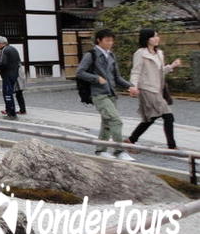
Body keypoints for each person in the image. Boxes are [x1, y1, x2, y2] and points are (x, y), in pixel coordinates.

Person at [76, 28, 138, 160]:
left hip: (111, 93)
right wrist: (96, 78)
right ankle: (119, 151)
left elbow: (117, 77)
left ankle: (101, 150)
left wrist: (130, 86)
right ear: (99, 40)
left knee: (107, 123)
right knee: (115, 120)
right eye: (107, 40)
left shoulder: (111, 55)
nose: (110, 43)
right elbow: (80, 72)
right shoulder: (91, 55)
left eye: (112, 40)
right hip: (98, 94)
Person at [125, 29, 182, 150]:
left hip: (157, 89)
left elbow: (160, 72)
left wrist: (172, 66)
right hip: (147, 89)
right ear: (147, 39)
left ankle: (131, 139)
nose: (157, 38)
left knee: (151, 118)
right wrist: (133, 86)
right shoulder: (140, 53)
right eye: (153, 37)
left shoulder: (159, 53)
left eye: (157, 36)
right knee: (168, 116)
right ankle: (172, 146)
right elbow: (135, 71)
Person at [0, 36, 21, 119]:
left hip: (7, 75)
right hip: (14, 74)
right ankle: (11, 111)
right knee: (9, 93)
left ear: (1, 43)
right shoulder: (14, 49)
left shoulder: (5, 50)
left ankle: (11, 113)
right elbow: (18, 62)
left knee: (7, 94)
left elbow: (2, 63)